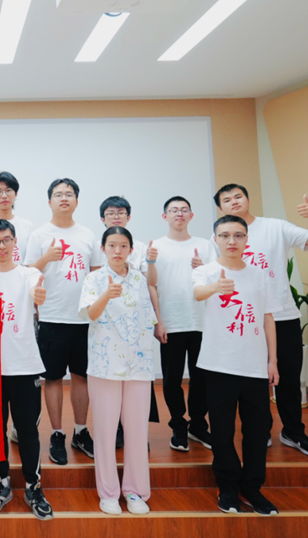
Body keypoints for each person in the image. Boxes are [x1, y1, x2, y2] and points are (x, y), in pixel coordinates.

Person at [214, 184, 308, 456]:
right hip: (246, 318)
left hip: (283, 314)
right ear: (220, 208)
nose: (234, 201)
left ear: (247, 199)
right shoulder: (221, 237)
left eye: (238, 196)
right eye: (227, 199)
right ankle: (260, 431)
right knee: (253, 380)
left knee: (289, 377)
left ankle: (293, 432)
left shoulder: (275, 227)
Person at [193, 215, 282, 515]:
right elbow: (197, 293)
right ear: (215, 239)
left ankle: (252, 488)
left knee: (258, 431)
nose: (232, 241)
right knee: (222, 430)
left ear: (246, 239)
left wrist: (272, 360)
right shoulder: (205, 271)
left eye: (238, 235)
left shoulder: (259, 274)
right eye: (225, 235)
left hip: (255, 365)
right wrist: (215, 286)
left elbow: (268, 318)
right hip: (219, 365)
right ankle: (228, 486)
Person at [0, 219, 53, 520]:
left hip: (25, 366)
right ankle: (1, 483)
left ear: (15, 242)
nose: (1, 245)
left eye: (6, 240)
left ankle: (33, 486)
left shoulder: (30, 274)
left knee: (27, 430)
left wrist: (38, 297)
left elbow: (36, 291)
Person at [79, 227, 156, 515]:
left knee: (136, 431)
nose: (118, 251)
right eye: (112, 245)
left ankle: (135, 491)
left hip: (138, 364)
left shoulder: (138, 279)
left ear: (131, 250)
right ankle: (109, 493)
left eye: (123, 246)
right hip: (104, 365)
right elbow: (89, 314)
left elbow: (147, 319)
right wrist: (107, 295)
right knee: (105, 430)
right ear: (103, 248)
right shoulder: (94, 279)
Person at [24, 178, 98, 464]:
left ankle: (80, 431)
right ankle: (57, 433)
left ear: (77, 201)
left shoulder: (87, 234)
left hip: (83, 318)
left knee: (81, 376)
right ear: (49, 201)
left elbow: (96, 275)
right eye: (58, 194)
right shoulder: (40, 235)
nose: (64, 198)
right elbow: (26, 274)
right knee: (52, 378)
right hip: (52, 317)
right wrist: (46, 257)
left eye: (69, 194)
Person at [96, 195, 160, 448]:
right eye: (110, 213)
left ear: (128, 217)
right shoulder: (100, 246)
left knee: (137, 383)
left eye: (120, 212)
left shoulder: (140, 247)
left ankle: (137, 433)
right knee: (110, 385)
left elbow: (150, 284)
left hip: (135, 328)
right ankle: (116, 432)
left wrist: (157, 321)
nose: (116, 216)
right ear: (102, 218)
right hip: (108, 327)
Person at [154, 196, 216, 451]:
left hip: (201, 321)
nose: (179, 213)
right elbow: (151, 285)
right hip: (171, 322)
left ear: (191, 215)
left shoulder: (205, 245)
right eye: (173, 210)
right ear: (165, 216)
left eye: (184, 210)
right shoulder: (156, 246)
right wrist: (158, 321)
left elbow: (218, 280)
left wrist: (205, 267)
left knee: (201, 378)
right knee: (172, 380)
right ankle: (178, 426)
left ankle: (198, 426)